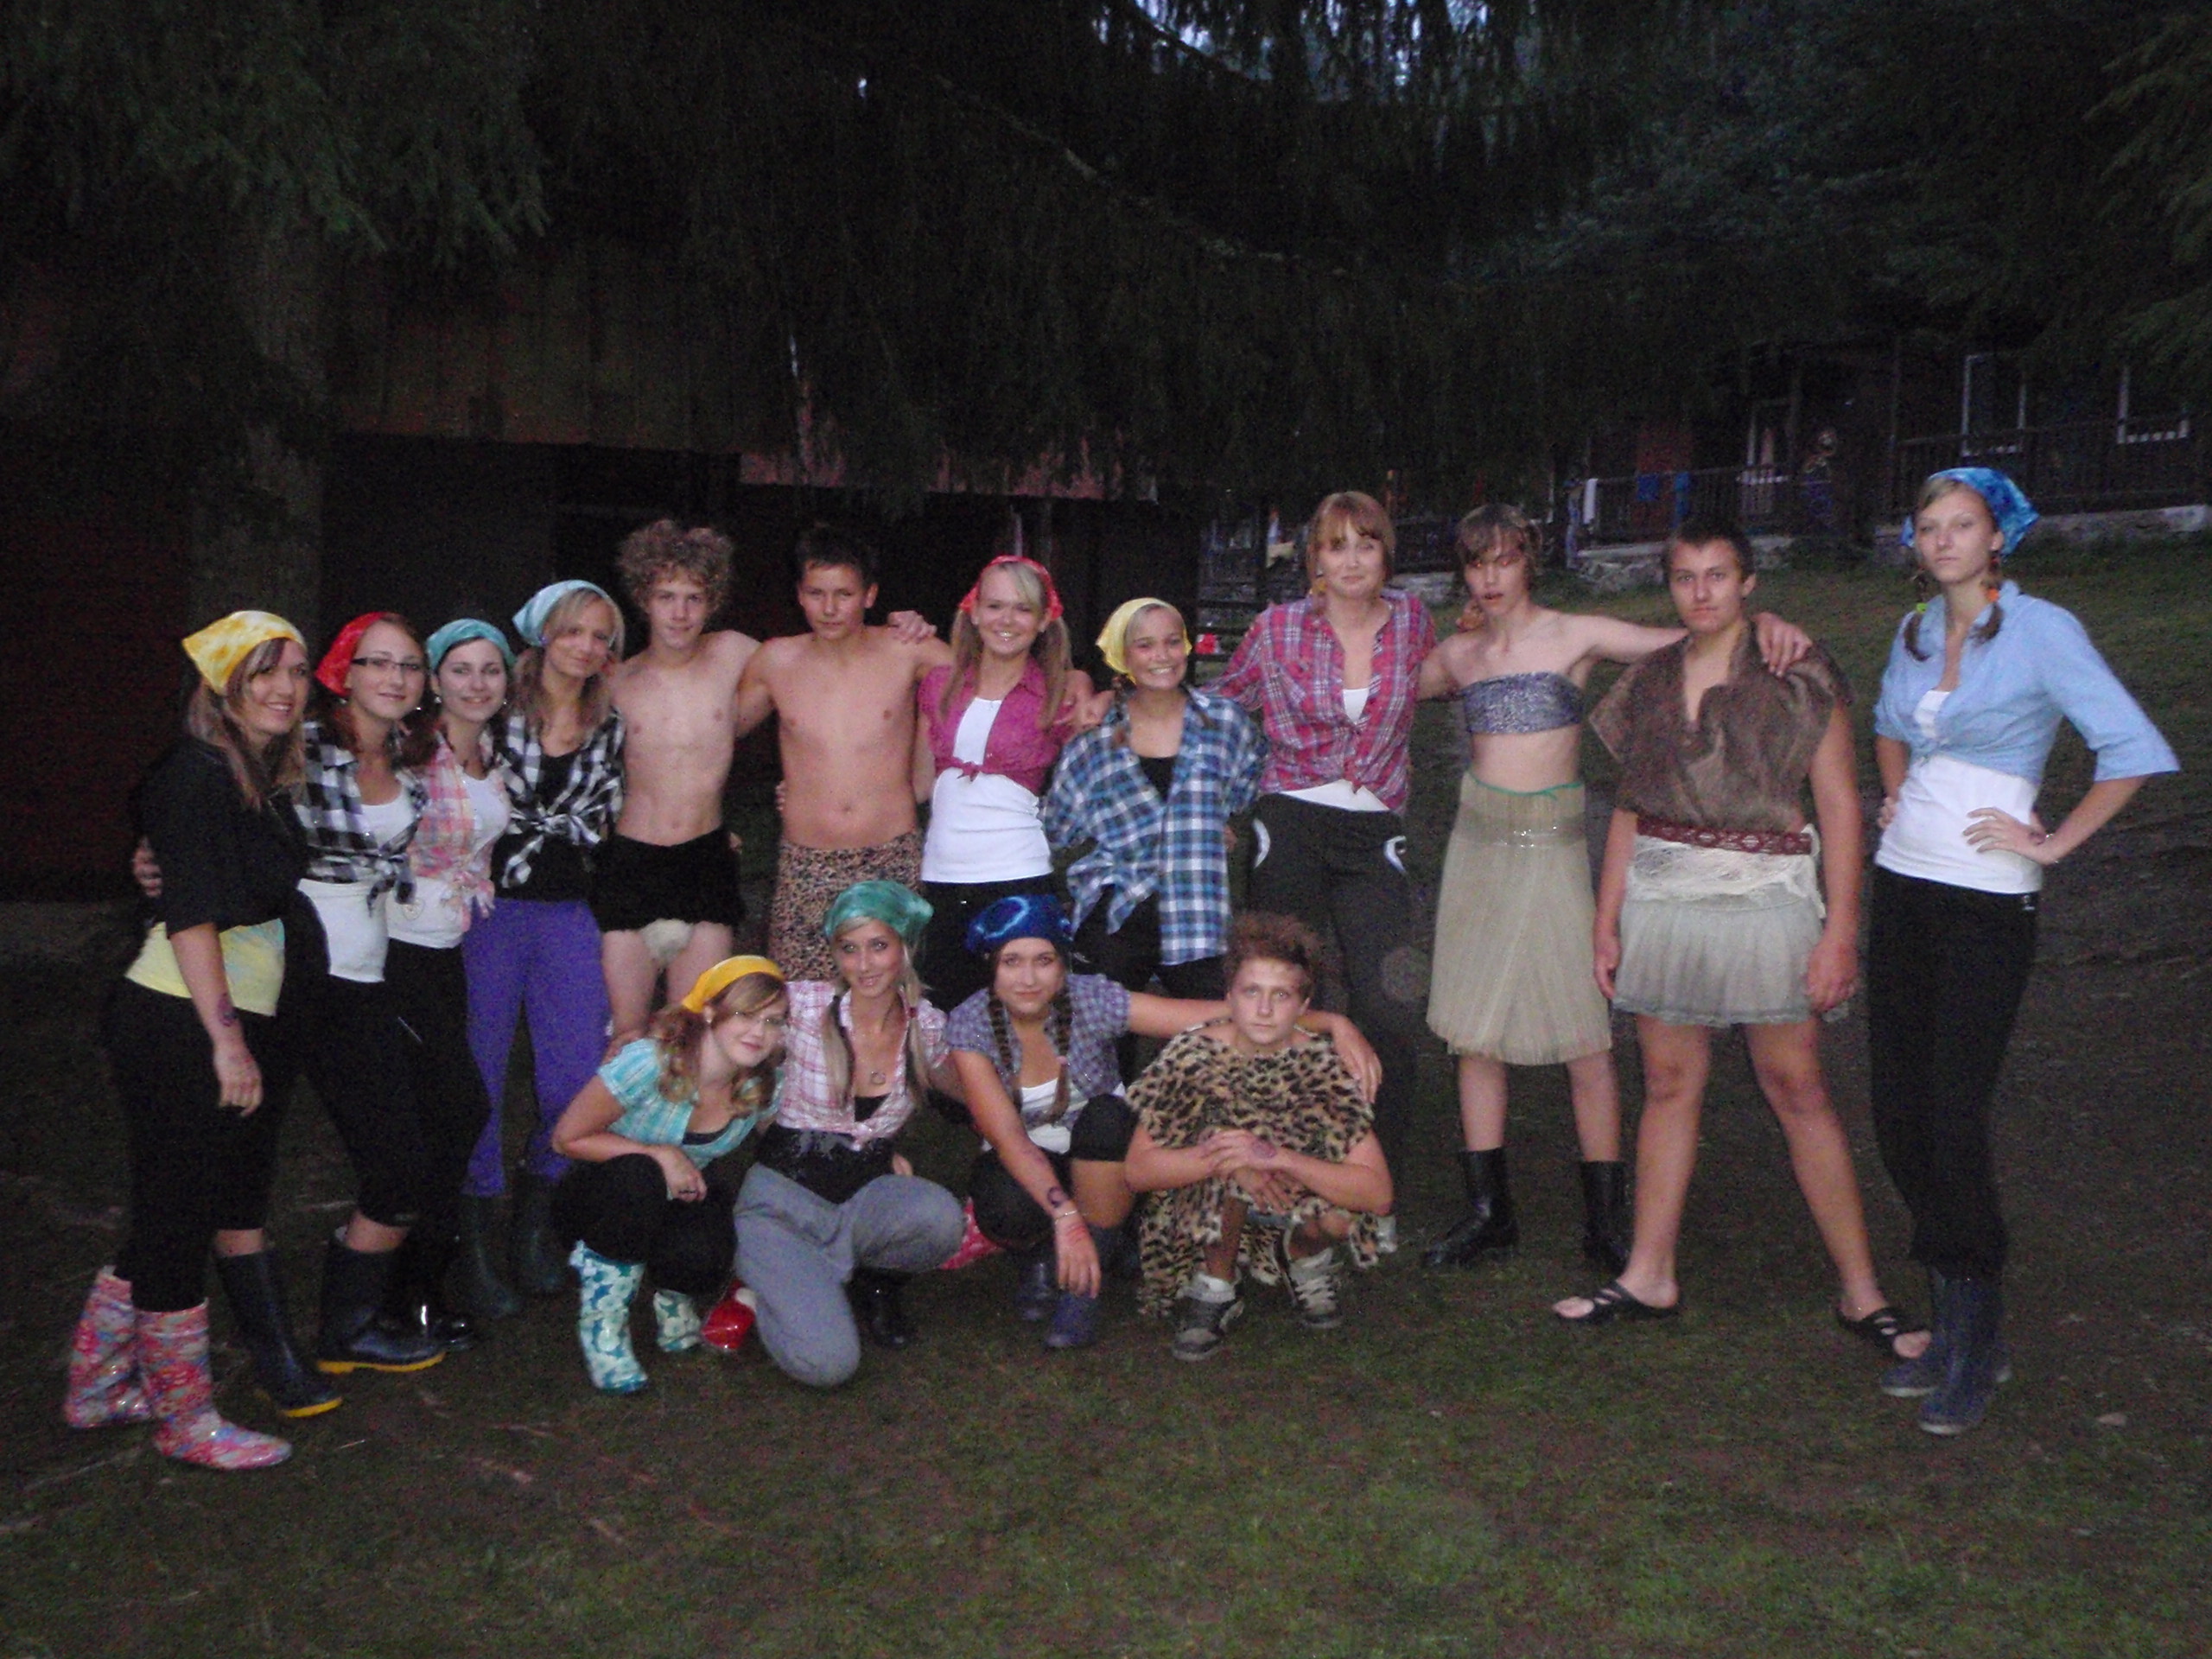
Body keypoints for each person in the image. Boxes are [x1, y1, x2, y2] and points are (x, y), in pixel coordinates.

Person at [1554, 522, 1920, 1362]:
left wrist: (1840, 931)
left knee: (1797, 1086)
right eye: (1685, 577)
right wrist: (1606, 921)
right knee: (1668, 1083)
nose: (1701, 592)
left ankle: (1861, 1290)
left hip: (1766, 897)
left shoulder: (1799, 673)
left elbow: (1840, 807)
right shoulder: (1650, 679)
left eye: (1717, 575)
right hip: (1663, 897)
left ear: (1748, 582)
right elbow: (1630, 807)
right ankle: (1649, 1273)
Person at [1414, 505, 1808, 1274]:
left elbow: (1690, 639)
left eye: (1505, 560)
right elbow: (1375, 687)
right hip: (1477, 850)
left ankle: (1606, 1222)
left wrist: (1762, 623)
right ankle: (1490, 1213)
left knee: (1586, 1038)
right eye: (1476, 563)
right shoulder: (1457, 655)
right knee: (1474, 1033)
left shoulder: (1576, 633)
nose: (1491, 577)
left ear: (1529, 561)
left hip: (1553, 850)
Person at [1867, 468, 2176, 1435]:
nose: (1942, 540)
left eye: (1961, 524)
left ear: (1996, 536)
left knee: (1951, 1115)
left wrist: (2052, 843)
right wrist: (1895, 791)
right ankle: (1955, 1317)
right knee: (1898, 1115)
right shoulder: (1915, 632)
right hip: (1901, 889)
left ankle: (1974, 1336)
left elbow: (2131, 747)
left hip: (1985, 904)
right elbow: (1886, 726)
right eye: (1928, 526)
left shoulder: (2043, 630)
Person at [67, 613, 313, 1468]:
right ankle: (185, 1418)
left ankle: (97, 1386)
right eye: (263, 672)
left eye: (295, 672)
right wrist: (226, 1041)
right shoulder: (197, 774)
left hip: (205, 1016)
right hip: (182, 1018)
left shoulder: (250, 774)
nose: (284, 689)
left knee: (174, 1204)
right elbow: (192, 918)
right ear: (222, 686)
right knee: (180, 1218)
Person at [945, 894, 1380, 1351]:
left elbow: (1209, 1015)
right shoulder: (971, 1024)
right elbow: (1009, 1138)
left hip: (1103, 1152)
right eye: (1012, 962)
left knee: (1107, 1116)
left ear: (1062, 964)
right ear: (992, 966)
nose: (1029, 979)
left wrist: (1333, 1022)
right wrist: (1065, 1216)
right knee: (1003, 1201)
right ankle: (1048, 1256)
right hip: (1030, 1161)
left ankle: (1083, 1288)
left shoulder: (1088, 998)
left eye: (1043, 961)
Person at [1210, 492, 1434, 1225]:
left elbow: (1466, 662)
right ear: (1315, 559)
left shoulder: (1414, 622)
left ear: (1386, 554)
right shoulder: (1275, 629)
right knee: (1278, 996)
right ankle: (1269, 1174)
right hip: (1291, 820)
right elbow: (1219, 708)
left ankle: (1374, 1184)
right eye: (1337, 546)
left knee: (1387, 1006)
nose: (1352, 560)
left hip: (1374, 830)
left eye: (1366, 543)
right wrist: (1210, 806)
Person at [1124, 913, 1392, 1361]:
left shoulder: (1323, 1067)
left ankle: (1302, 1256)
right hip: (1206, 1206)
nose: (1264, 1010)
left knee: (1341, 1213)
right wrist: (1229, 1158)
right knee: (1222, 1146)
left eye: (1280, 995)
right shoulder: (1192, 1056)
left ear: (1304, 1006)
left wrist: (1277, 1157)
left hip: (1288, 1195)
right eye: (1251, 992)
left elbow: (1378, 1193)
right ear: (1229, 997)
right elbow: (1137, 1171)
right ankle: (1217, 1284)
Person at [732, 881, 968, 1389]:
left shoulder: (925, 1026)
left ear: (905, 947)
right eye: (849, 948)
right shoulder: (800, 1007)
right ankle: (761, 1282)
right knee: (830, 1365)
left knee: (940, 1219)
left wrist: (1033, 1077)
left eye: (878, 946)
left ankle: (863, 1281)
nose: (864, 965)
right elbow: (722, 1026)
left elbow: (968, 1087)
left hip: (859, 1201)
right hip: (781, 1206)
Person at [462, 581, 626, 1302]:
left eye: (600, 636)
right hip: (487, 907)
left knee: (576, 1075)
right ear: (541, 634)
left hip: (568, 908)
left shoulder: (610, 722)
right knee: (478, 1072)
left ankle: (537, 1215)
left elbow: (622, 814)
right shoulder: (494, 707)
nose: (586, 647)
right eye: (573, 631)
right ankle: (471, 1230)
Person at [549, 956, 787, 1393]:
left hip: (676, 1196)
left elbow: (791, 1140)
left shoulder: (764, 1085)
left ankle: (672, 1298)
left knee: (708, 1245)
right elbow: (566, 1138)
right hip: (599, 1198)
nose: (759, 1032)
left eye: (772, 1021)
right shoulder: (650, 1062)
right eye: (745, 1015)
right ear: (710, 1012)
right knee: (638, 1175)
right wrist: (656, 1154)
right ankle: (604, 1324)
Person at [734, 525, 955, 982]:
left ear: (870, 595)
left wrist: (1073, 681)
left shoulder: (906, 650)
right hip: (806, 860)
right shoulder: (776, 661)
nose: (830, 608)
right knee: (802, 1000)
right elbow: (711, 734)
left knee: (891, 996)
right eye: (817, 593)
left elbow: (991, 681)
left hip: (889, 855)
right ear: (799, 595)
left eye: (844, 594)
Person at [378, 618, 515, 1348]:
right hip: (394, 950)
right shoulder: (406, 749)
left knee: (442, 1118)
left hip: (448, 949)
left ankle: (415, 1283)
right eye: (461, 669)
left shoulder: (493, 755)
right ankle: (411, 1285)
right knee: (456, 1111)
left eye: (491, 669)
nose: (477, 683)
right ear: (434, 679)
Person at [1045, 597, 1267, 1027]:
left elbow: (1249, 782)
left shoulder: (1224, 723)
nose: (1162, 656)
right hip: (1119, 908)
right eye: (1145, 645)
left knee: (1222, 1033)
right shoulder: (1095, 740)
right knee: (1098, 1035)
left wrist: (1217, 823)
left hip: (1199, 910)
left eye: (1172, 642)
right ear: (1123, 657)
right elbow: (1059, 828)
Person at [915, 554, 1097, 1012]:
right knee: (945, 1015)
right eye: (995, 606)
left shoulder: (1059, 693)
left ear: (1043, 620)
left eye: (1022, 609)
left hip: (1018, 876)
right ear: (974, 612)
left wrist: (1107, 691)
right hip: (942, 876)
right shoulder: (939, 685)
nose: (1007, 620)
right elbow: (916, 781)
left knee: (1023, 1017)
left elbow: (1103, 762)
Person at [600, 522, 758, 1046]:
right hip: (632, 860)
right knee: (627, 1033)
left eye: (694, 598)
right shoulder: (615, 680)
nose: (680, 612)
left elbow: (809, 664)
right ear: (643, 598)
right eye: (666, 596)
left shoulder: (733, 654)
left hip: (704, 859)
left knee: (690, 1030)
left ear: (713, 602)